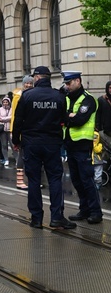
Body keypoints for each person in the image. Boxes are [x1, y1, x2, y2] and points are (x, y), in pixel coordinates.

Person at [12, 66, 76, 229]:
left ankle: (36, 218)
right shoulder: (58, 96)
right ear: (48, 78)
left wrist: (16, 140)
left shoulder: (26, 96)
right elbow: (64, 119)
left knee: (33, 180)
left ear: (37, 78)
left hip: (31, 143)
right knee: (55, 179)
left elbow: (18, 120)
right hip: (52, 143)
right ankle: (56, 217)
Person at [62, 71, 103, 224]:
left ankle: (95, 212)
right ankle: (84, 209)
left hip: (83, 145)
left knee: (87, 179)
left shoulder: (88, 99)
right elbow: (61, 117)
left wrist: (69, 117)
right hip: (70, 144)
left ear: (78, 81)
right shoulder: (66, 98)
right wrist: (69, 116)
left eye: (69, 83)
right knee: (76, 180)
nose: (66, 86)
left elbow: (80, 119)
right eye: (65, 83)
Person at [10, 75, 34, 189]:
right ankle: (20, 181)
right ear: (23, 84)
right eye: (27, 83)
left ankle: (32, 180)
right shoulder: (18, 96)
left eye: (30, 83)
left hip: (30, 129)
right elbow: (15, 115)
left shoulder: (32, 94)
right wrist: (14, 132)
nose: (28, 85)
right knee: (21, 155)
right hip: (21, 130)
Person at [0, 96, 14, 167]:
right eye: (4, 102)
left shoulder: (12, 109)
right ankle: (6, 159)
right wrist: (6, 119)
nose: (5, 103)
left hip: (10, 129)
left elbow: (12, 117)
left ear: (9, 102)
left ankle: (17, 159)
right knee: (4, 145)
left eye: (6, 102)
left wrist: (3, 119)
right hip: (2, 130)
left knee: (13, 145)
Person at [96, 80, 111, 149]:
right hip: (106, 130)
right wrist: (97, 127)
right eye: (110, 88)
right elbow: (98, 114)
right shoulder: (101, 100)